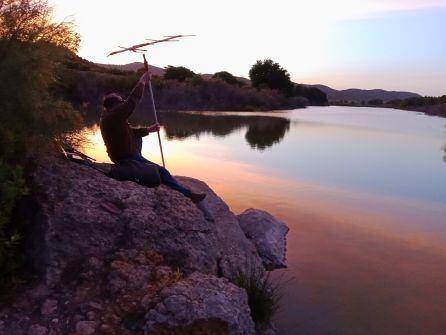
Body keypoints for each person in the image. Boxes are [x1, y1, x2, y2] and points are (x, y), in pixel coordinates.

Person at [100, 59, 206, 203]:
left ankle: (141, 164)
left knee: (139, 138)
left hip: (128, 153)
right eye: (121, 101)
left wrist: (148, 130)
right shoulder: (112, 116)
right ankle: (189, 195)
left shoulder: (112, 118)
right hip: (125, 157)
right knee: (161, 171)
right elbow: (132, 101)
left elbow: (129, 132)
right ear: (114, 105)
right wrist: (142, 81)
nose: (123, 102)